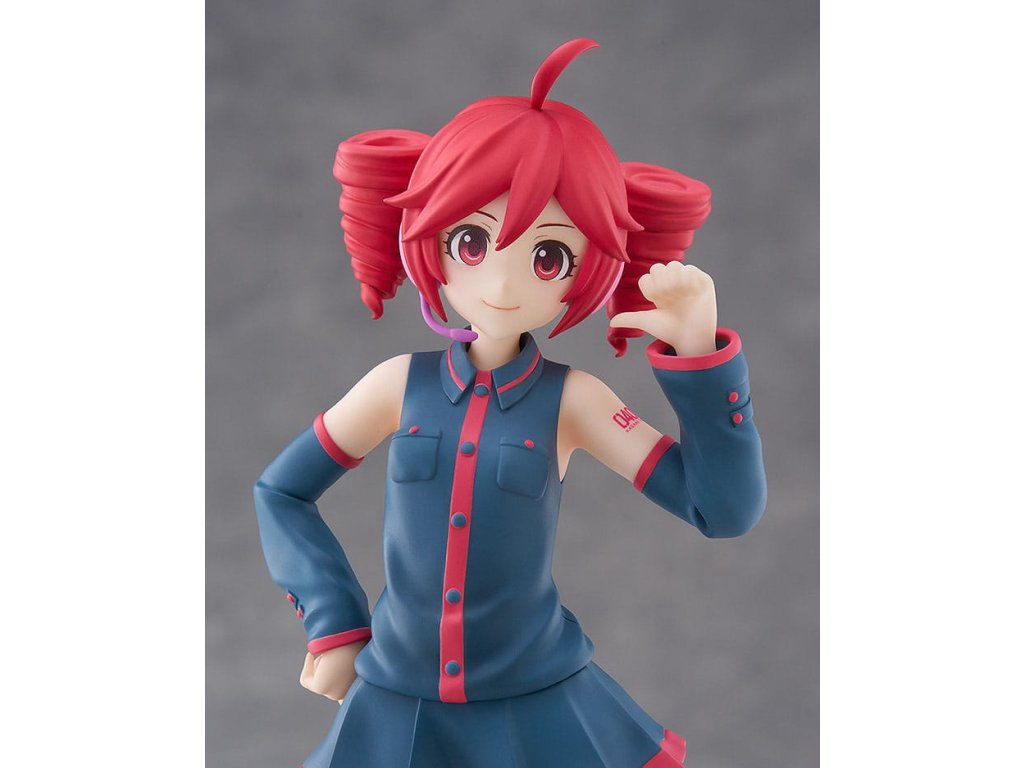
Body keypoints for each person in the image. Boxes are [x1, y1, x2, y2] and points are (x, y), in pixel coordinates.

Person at [255, 38, 766, 768]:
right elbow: (280, 492)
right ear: (430, 241)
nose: (502, 282)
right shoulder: (397, 385)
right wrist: (333, 621)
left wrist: (701, 358)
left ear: (585, 272)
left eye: (547, 256)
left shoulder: (574, 401)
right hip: (397, 700)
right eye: (471, 241)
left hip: (536, 703)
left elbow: (721, 508)